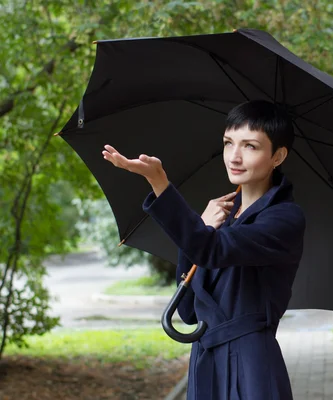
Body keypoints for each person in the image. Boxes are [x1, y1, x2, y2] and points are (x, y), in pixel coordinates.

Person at [102, 100, 305, 400]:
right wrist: (202, 225)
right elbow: (187, 310)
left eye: (250, 146)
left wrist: (161, 184)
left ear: (278, 156)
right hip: (205, 362)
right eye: (228, 143)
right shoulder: (223, 215)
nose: (234, 156)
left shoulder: (284, 219)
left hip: (251, 367)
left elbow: (212, 250)